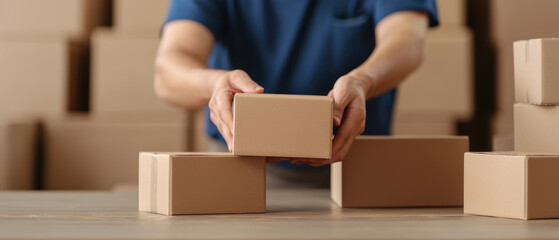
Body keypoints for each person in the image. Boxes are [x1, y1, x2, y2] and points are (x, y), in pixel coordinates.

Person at [155, 0, 439, 188]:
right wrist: (214, 84)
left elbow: (408, 38)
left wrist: (363, 80)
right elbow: (169, 69)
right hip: (241, 169)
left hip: (358, 172)